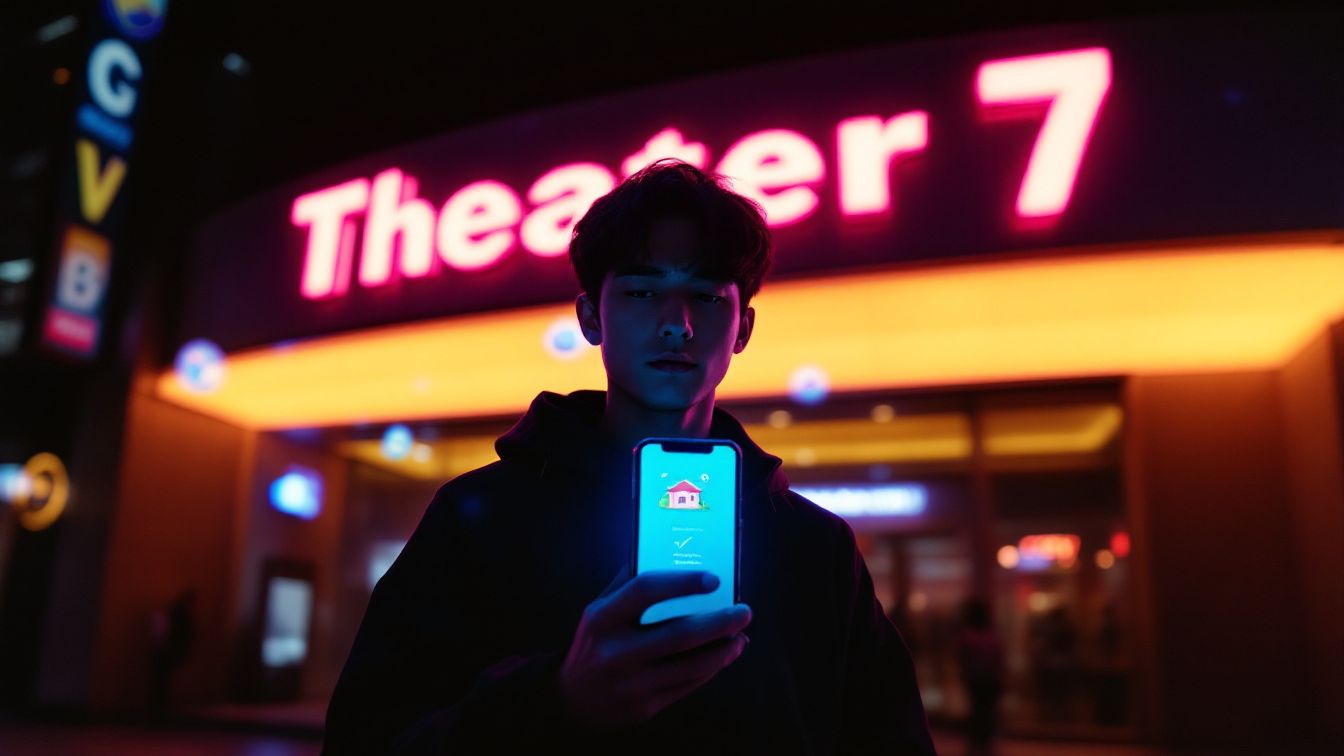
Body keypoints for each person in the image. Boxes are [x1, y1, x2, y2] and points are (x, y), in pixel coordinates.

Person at [322, 159, 936, 754]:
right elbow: (365, 738)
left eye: (706, 296)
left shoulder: (816, 545)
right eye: (643, 291)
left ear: (743, 329)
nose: (678, 324)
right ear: (591, 315)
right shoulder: (479, 516)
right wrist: (557, 700)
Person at [954, 598, 1004, 756]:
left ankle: (978, 742)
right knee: (986, 711)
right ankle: (983, 742)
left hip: (976, 678)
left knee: (978, 710)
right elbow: (998, 658)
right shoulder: (991, 635)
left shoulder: (968, 636)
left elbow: (962, 658)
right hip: (988, 679)